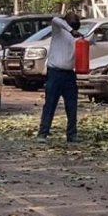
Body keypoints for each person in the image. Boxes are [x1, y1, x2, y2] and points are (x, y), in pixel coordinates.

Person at [37, 12, 89, 143]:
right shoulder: (59, 31)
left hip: (69, 74)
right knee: (50, 104)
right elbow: (55, 19)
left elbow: (87, 43)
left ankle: (72, 134)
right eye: (72, 24)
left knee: (72, 106)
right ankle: (43, 133)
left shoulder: (76, 37)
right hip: (55, 72)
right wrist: (71, 30)